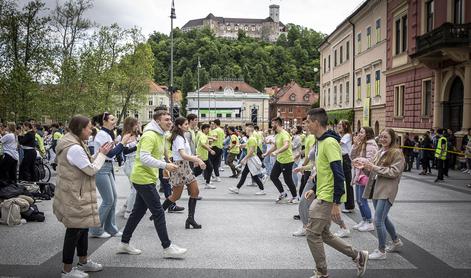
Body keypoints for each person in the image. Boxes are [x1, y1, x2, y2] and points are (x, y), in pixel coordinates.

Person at [303, 108, 368, 278]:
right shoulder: (320, 141)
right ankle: (358, 255)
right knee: (324, 234)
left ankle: (322, 272)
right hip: (322, 193)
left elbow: (338, 174)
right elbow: (324, 170)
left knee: (311, 234)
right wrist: (314, 188)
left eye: (308, 122)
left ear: (316, 122)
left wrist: (336, 202)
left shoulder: (330, 143)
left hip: (328, 197)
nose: (306, 125)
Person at [118, 110, 187, 258]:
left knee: (138, 212)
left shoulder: (160, 134)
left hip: (146, 177)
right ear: (157, 121)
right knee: (158, 212)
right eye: (166, 119)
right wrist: (165, 166)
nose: (170, 122)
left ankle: (124, 243)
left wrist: (165, 165)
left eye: (170, 119)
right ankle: (167, 247)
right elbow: (144, 158)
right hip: (143, 178)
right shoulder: (150, 135)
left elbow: (158, 153)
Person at [53, 115, 113, 278]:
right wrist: (102, 155)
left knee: (83, 227)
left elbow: (85, 163)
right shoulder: (74, 147)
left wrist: (99, 153)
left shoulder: (75, 142)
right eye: (88, 128)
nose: (91, 130)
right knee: (74, 230)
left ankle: (83, 261)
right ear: (80, 129)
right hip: (75, 195)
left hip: (76, 193)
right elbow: (91, 169)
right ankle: (66, 270)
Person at [361, 128, 405, 260]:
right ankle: (396, 241)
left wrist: (373, 167)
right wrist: (364, 167)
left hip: (387, 190)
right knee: (384, 218)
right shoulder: (380, 151)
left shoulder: (397, 153)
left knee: (378, 220)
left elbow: (394, 172)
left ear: (392, 138)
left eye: (386, 137)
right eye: (381, 137)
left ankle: (381, 250)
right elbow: (372, 171)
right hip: (376, 188)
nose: (382, 139)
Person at [89, 112, 133, 238]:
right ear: (105, 121)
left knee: (113, 199)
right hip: (102, 167)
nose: (115, 121)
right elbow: (109, 154)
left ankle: (111, 228)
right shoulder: (102, 135)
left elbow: (113, 153)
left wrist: (120, 143)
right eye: (112, 119)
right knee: (108, 200)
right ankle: (95, 229)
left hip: (107, 167)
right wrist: (122, 143)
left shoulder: (107, 134)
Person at [163, 117, 206, 229]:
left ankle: (190, 219)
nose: (188, 125)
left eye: (187, 124)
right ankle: (158, 213)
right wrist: (198, 160)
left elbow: (186, 154)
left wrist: (194, 158)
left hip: (185, 166)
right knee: (175, 196)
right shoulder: (178, 138)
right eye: (186, 124)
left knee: (195, 191)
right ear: (179, 126)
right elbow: (182, 155)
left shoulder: (183, 136)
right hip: (179, 168)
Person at [263, 117, 298, 204]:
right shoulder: (278, 134)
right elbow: (275, 146)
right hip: (280, 160)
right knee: (273, 176)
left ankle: (295, 197)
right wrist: (267, 153)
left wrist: (276, 152)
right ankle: (283, 193)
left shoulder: (284, 134)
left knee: (288, 180)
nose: (271, 125)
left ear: (277, 124)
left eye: (273, 124)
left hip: (287, 160)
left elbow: (286, 145)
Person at [351, 127, 378, 233]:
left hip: (365, 175)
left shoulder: (370, 145)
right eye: (359, 132)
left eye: (362, 132)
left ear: (368, 134)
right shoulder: (361, 144)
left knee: (362, 200)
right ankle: (364, 220)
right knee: (358, 200)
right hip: (359, 174)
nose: (359, 134)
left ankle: (369, 222)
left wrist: (359, 160)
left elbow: (370, 161)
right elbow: (352, 156)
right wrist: (355, 145)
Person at [228, 123, 265, 195]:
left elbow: (251, 151)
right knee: (245, 174)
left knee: (253, 175)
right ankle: (237, 188)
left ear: (249, 130)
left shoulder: (252, 139)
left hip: (251, 159)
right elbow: (248, 145)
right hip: (250, 159)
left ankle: (262, 189)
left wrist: (244, 159)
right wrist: (242, 145)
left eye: (246, 130)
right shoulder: (251, 139)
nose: (245, 131)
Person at [121, 117, 140, 219]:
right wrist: (137, 146)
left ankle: (126, 206)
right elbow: (125, 151)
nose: (137, 126)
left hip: (135, 162)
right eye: (136, 124)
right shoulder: (126, 136)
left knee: (134, 187)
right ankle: (128, 211)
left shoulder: (135, 135)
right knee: (135, 188)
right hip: (130, 163)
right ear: (131, 125)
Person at [337, 120, 354, 213]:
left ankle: (350, 205)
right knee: (342, 180)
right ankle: (343, 201)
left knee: (347, 182)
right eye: (338, 124)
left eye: (341, 125)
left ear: (346, 126)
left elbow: (339, 143)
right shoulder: (341, 135)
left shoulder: (347, 135)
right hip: (341, 158)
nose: (339, 126)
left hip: (345, 158)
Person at [194, 123, 215, 189]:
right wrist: (210, 150)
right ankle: (187, 181)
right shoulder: (203, 135)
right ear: (203, 129)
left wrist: (209, 146)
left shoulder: (203, 135)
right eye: (207, 129)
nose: (208, 130)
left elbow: (203, 143)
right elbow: (202, 144)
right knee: (198, 171)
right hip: (201, 156)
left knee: (210, 168)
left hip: (204, 156)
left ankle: (207, 183)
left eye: (209, 129)